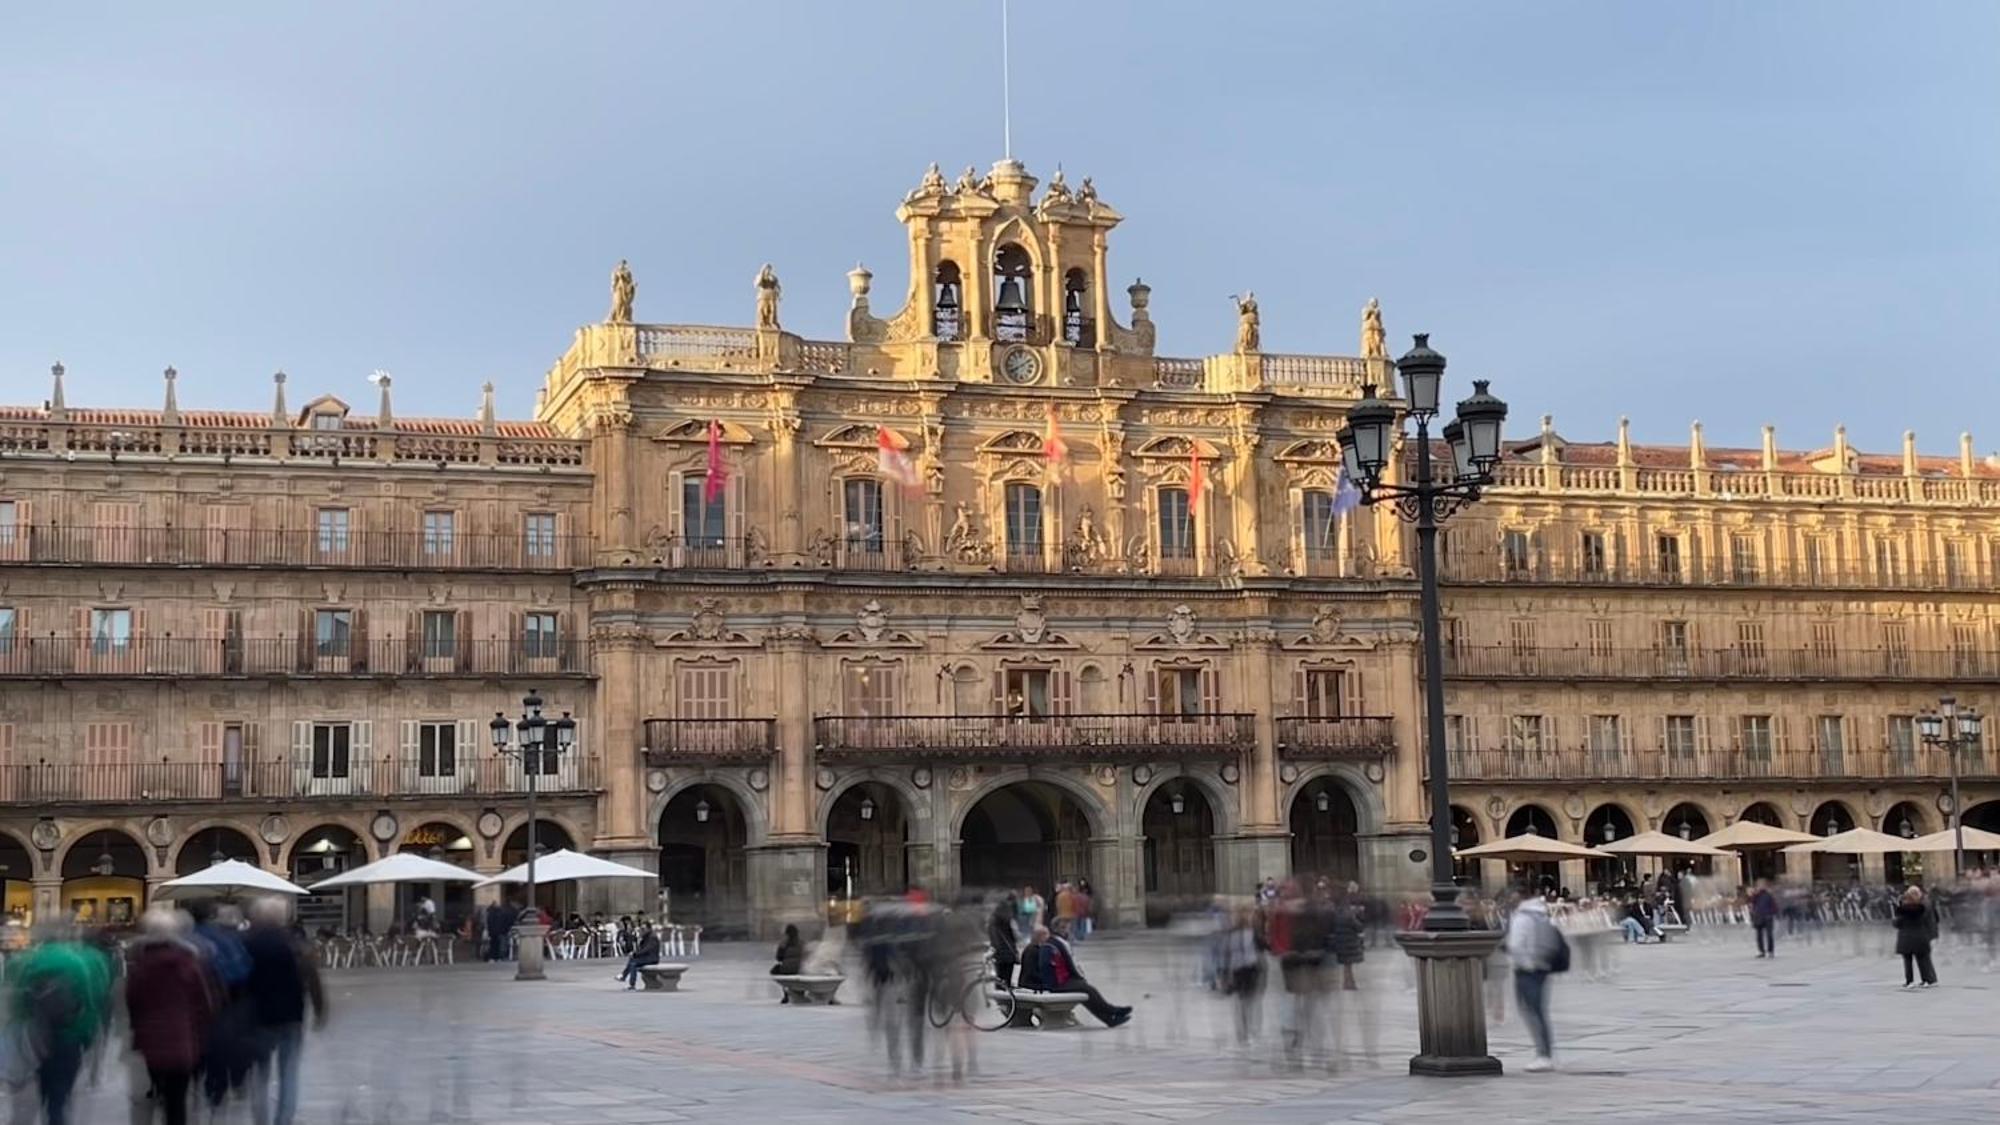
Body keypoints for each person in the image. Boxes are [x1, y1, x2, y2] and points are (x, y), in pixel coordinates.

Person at [8, 929, 112, 1125]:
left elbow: (18, 1005)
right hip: (68, 1039)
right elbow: (89, 1004)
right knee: (61, 1096)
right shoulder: (76, 963)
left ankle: (46, 1105)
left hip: (37, 1038)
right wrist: (85, 1038)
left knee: (44, 1088)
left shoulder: (29, 962)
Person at [125, 907, 218, 1125]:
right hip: (182, 1040)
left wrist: (137, 1028)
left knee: (156, 1093)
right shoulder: (188, 963)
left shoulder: (139, 966)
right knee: (177, 1102)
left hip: (151, 1042)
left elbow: (133, 1003)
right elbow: (204, 1003)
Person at [242, 898, 326, 1125]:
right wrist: (319, 1010)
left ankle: (261, 1120)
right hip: (292, 1017)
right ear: (284, 917)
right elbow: (313, 980)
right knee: (288, 1074)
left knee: (260, 1075)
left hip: (258, 1017)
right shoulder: (297, 944)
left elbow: (237, 981)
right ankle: (283, 1120)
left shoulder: (247, 944)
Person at [1503, 896, 1565, 1072]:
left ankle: (1544, 1055)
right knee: (1538, 1011)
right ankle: (1547, 1052)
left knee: (1531, 1011)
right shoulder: (1543, 915)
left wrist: (1522, 962)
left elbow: (1515, 945)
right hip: (1543, 967)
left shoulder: (1522, 918)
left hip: (1527, 970)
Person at [1030, 924, 1131, 1027]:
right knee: (1087, 990)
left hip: (1058, 982)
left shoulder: (1046, 946)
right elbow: (1042, 970)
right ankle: (1112, 1011)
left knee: (1087, 992)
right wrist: (1048, 986)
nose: (1049, 935)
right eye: (1046, 933)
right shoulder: (1045, 948)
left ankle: (1109, 1018)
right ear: (1041, 936)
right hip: (1055, 985)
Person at [1893, 885, 1939, 989]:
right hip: (1921, 936)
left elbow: (1897, 923)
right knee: (1923, 959)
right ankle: (1928, 979)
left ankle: (1911, 981)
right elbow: (1933, 918)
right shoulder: (1922, 907)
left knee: (1909, 961)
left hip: (1907, 938)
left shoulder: (1903, 910)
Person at [987, 895, 1019, 986]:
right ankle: (1007, 995)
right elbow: (1014, 937)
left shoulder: (993, 921)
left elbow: (994, 938)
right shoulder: (1008, 921)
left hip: (1000, 954)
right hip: (1009, 953)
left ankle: (1001, 995)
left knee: (1000, 977)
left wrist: (996, 949)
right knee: (1008, 978)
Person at [618, 924, 661, 990]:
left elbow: (647, 949)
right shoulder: (647, 936)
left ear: (649, 929)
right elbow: (641, 948)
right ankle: (624, 977)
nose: (641, 930)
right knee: (632, 960)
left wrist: (636, 954)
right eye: (641, 929)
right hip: (648, 957)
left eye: (643, 929)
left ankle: (629, 981)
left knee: (633, 963)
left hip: (652, 958)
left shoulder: (652, 937)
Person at [1750, 879, 1779, 958]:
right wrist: (1754, 894)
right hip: (1758, 917)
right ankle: (1761, 951)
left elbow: (1774, 906)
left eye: (1762, 885)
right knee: (1759, 935)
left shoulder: (1768, 895)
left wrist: (1771, 913)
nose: (1760, 886)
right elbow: (1752, 903)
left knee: (1769, 934)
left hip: (1767, 917)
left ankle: (1770, 951)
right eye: (1759, 885)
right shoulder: (1756, 895)